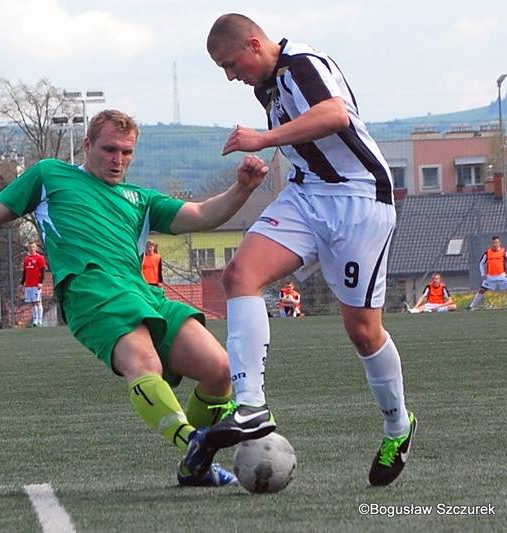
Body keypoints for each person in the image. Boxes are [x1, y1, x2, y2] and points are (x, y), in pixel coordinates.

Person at [0, 110, 271, 487]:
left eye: (126, 152)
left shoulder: (141, 199)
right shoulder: (51, 175)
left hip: (142, 292)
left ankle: (195, 467)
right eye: (109, 150)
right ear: (87, 145)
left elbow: (203, 214)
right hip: (90, 290)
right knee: (144, 361)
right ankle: (194, 445)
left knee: (219, 369)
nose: (118, 160)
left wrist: (242, 188)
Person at [207, 14, 415, 487]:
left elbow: (335, 115)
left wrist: (264, 139)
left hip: (358, 199)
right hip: (307, 196)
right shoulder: (267, 86)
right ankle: (251, 407)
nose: (230, 75)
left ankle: (397, 427)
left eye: (230, 63)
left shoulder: (303, 61)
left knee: (363, 332)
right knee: (239, 275)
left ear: (255, 45)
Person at [467, 236, 507, 310]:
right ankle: (471, 307)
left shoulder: (504, 251)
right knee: (481, 290)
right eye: (493, 243)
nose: (495, 244)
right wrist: (483, 274)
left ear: (499, 243)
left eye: (496, 242)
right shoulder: (487, 252)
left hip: (502, 276)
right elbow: (481, 263)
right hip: (490, 277)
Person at [21, 241, 48, 327]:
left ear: (35, 248)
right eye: (30, 247)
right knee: (32, 302)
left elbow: (43, 271)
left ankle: (40, 321)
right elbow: (25, 272)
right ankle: (35, 320)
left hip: (36, 284)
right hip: (29, 284)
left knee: (38, 301)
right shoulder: (26, 259)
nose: (31, 249)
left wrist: (40, 282)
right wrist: (23, 282)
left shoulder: (40, 258)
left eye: (33, 247)